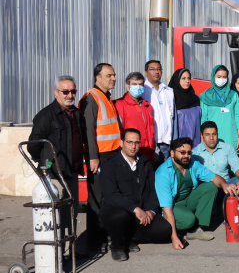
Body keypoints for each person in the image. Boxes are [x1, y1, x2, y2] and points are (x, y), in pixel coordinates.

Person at [28, 75, 85, 250]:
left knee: (71, 212)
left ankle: (68, 251)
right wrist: (46, 162)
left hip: (72, 172)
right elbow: (33, 146)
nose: (70, 95)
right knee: (56, 213)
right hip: (53, 174)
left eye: (73, 91)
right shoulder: (46, 115)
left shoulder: (76, 113)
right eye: (65, 91)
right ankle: (55, 251)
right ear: (56, 92)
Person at [99, 129, 172, 261]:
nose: (133, 146)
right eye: (129, 142)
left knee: (165, 229)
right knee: (120, 217)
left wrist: (151, 211)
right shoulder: (110, 164)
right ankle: (117, 246)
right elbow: (110, 195)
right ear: (121, 143)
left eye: (137, 142)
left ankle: (128, 237)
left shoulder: (145, 163)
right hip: (117, 210)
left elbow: (152, 191)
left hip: (141, 212)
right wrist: (135, 209)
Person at [155, 137, 237, 247]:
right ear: (172, 153)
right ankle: (183, 228)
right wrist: (174, 237)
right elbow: (166, 208)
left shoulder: (192, 163)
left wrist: (224, 184)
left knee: (210, 186)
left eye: (189, 152)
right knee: (189, 219)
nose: (186, 156)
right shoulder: (163, 173)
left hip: (187, 200)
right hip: (171, 206)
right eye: (182, 152)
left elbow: (213, 177)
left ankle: (198, 228)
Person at [79, 63, 122, 254]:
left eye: (114, 75)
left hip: (112, 154)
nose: (113, 78)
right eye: (109, 75)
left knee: (108, 197)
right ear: (98, 78)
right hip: (100, 156)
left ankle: (106, 234)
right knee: (96, 199)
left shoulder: (106, 97)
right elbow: (88, 131)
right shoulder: (91, 98)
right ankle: (94, 241)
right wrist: (93, 157)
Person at [192, 121, 239, 213]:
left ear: (217, 134)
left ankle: (233, 213)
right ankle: (218, 210)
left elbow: (237, 166)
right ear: (202, 136)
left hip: (227, 186)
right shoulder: (195, 153)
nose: (211, 138)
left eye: (214, 134)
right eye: (207, 135)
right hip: (209, 190)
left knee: (238, 180)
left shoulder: (227, 148)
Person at [200, 65, 239, 151]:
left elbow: (238, 117)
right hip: (212, 137)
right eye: (219, 77)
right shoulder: (206, 96)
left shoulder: (233, 95)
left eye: (224, 77)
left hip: (231, 137)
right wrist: (203, 137)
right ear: (213, 77)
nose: (222, 79)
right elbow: (204, 118)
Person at [114, 72, 156, 162]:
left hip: (147, 153)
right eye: (134, 84)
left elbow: (151, 131)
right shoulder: (118, 104)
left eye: (140, 84)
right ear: (127, 86)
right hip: (129, 154)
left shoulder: (147, 106)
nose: (138, 87)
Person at [142, 60, 174, 165]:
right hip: (150, 140)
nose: (156, 72)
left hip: (166, 141)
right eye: (152, 69)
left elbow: (172, 116)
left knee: (164, 173)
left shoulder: (169, 91)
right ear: (146, 72)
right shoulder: (142, 91)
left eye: (159, 69)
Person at [168, 68, 202, 147]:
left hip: (196, 143)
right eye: (183, 78)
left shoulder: (195, 99)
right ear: (177, 80)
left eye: (189, 78)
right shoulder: (171, 100)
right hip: (179, 143)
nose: (187, 81)